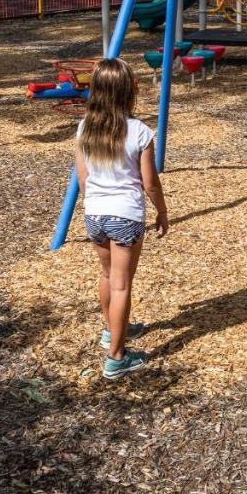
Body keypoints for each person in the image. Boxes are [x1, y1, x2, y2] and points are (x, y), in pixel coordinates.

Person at [74, 58, 168, 380]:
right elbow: (150, 182)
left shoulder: (84, 128)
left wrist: (95, 204)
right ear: (128, 92)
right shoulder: (139, 131)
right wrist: (162, 211)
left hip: (95, 214)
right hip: (125, 215)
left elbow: (83, 180)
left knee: (106, 274)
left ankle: (112, 329)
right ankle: (117, 357)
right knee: (122, 284)